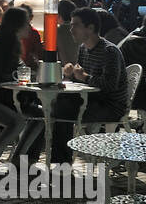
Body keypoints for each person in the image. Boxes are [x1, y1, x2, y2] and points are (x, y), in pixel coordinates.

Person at [30, 8, 130, 164]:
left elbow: (109, 85)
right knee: (48, 106)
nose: (71, 29)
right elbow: (80, 78)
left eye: (75, 25)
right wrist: (70, 74)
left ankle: (60, 163)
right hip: (90, 99)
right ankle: (38, 158)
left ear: (90, 28)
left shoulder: (110, 51)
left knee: (62, 112)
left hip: (110, 105)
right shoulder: (83, 48)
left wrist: (83, 76)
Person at [0, 7, 44, 174]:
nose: (28, 27)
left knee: (40, 115)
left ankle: (20, 159)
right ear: (17, 26)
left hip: (8, 97)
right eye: (26, 24)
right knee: (17, 121)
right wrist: (21, 78)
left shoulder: (11, 44)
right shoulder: (1, 45)